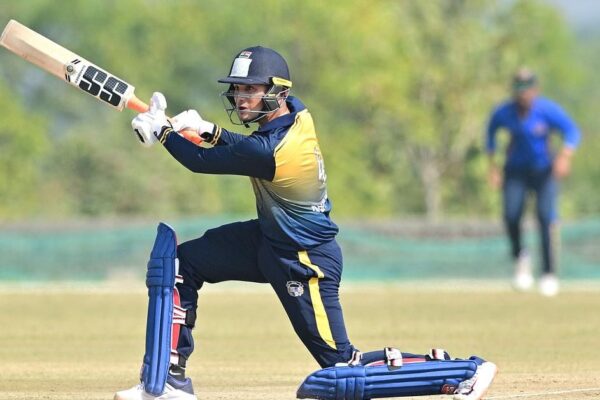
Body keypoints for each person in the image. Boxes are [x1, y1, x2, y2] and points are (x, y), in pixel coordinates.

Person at [115, 46, 496, 400]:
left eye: (252, 89)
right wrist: (210, 131)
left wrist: (163, 132)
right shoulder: (295, 114)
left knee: (341, 367)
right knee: (183, 264)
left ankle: (459, 371)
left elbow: (202, 162)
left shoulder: (273, 150)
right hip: (268, 241)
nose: (242, 97)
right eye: (238, 89)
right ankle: (167, 382)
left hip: (304, 259)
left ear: (277, 92)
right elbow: (243, 147)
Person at [486, 67, 581, 296]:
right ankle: (521, 260)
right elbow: (490, 133)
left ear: (535, 90)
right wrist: (493, 166)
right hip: (515, 171)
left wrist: (565, 156)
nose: (523, 94)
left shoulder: (546, 110)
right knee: (511, 215)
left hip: (543, 172)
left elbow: (572, 131)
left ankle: (548, 273)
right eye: (519, 89)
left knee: (545, 216)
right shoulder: (504, 112)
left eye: (527, 89)